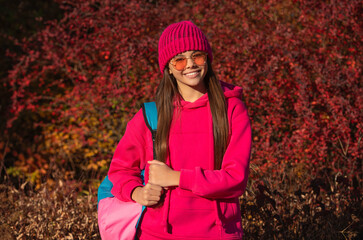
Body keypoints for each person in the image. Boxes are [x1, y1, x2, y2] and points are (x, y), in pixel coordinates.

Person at [108, 20, 252, 239]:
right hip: (157, 234)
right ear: (168, 68)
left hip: (218, 233)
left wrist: (175, 177)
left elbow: (235, 178)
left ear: (208, 59)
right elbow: (120, 170)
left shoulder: (232, 108)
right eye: (179, 60)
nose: (190, 65)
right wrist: (137, 192)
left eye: (197, 56)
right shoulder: (151, 116)